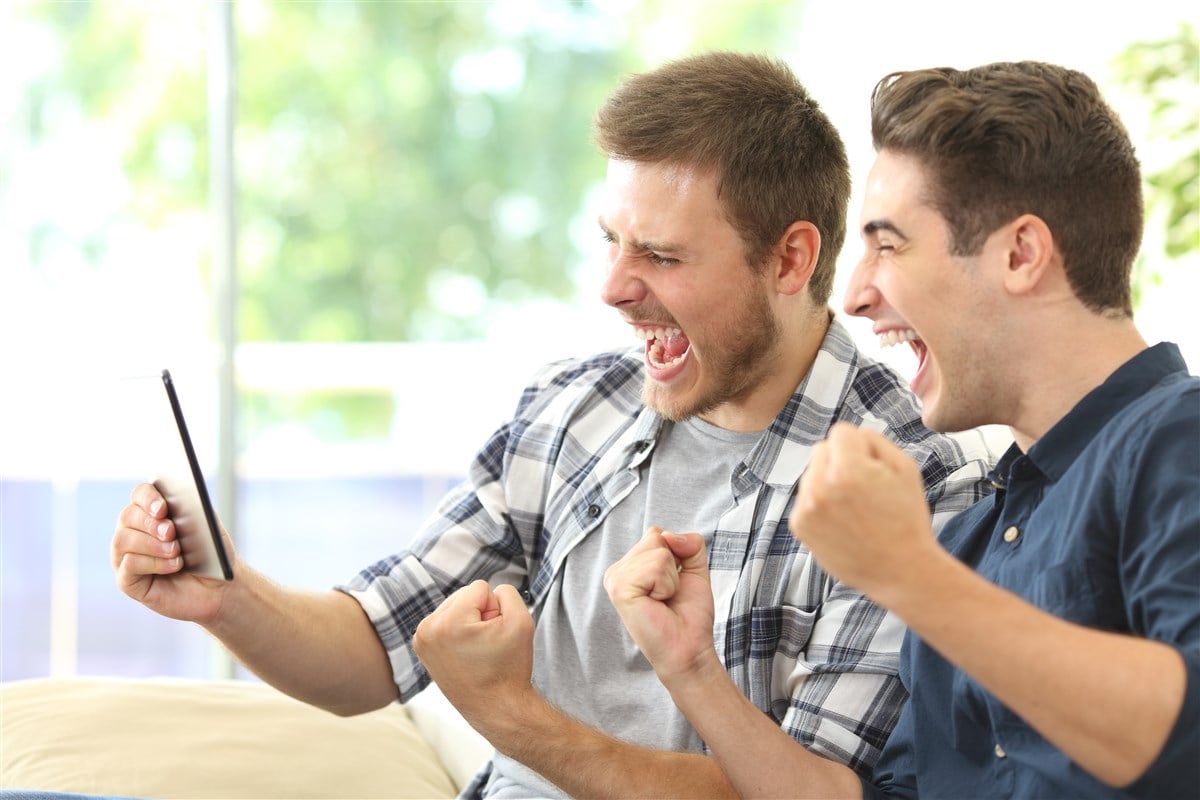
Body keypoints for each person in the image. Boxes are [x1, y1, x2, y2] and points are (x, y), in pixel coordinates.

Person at [111, 53, 994, 799]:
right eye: (611, 240)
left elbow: (810, 787)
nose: (612, 287)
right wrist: (228, 598)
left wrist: (509, 715)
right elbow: (377, 643)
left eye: (659, 254)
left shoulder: (910, 482)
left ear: (790, 258)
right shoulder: (579, 409)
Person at [606, 59, 1199, 798]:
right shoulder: (973, 535)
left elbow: (1188, 735)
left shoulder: (1179, 440)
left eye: (888, 245)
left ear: (1020, 254)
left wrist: (910, 576)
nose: (852, 294)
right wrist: (692, 669)